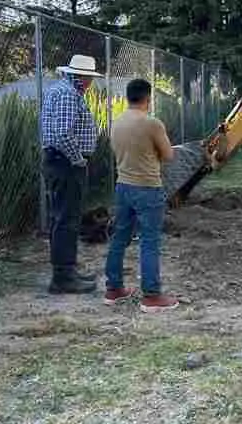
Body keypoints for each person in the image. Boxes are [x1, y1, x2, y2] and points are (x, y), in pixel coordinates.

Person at [104, 78, 178, 312]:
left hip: (123, 186)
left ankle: (113, 289)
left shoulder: (116, 123)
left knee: (119, 238)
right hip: (147, 188)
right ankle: (152, 296)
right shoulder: (152, 124)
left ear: (128, 97)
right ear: (148, 97)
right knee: (149, 241)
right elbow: (168, 155)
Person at [41, 54, 102, 294]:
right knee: (67, 219)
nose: (91, 83)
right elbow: (63, 133)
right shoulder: (67, 94)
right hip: (66, 163)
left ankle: (66, 271)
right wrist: (78, 159)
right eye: (89, 78)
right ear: (81, 77)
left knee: (63, 217)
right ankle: (63, 278)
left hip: (61, 161)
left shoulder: (63, 90)